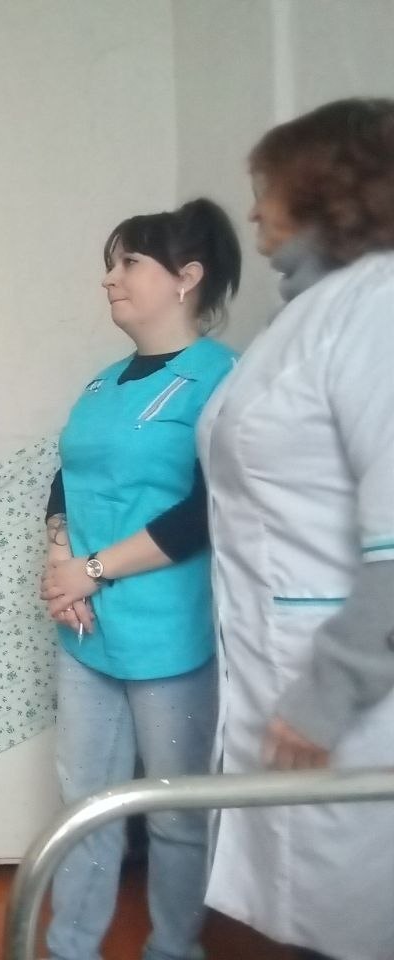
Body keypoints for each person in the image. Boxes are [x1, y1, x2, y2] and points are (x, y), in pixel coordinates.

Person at [199, 97, 394, 960]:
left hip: (350, 702)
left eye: (266, 188)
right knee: (294, 918)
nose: (253, 213)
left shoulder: (378, 307)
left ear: (322, 186)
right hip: (282, 676)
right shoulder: (307, 315)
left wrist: (328, 693)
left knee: (347, 919)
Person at [39, 198, 242, 960]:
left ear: (186, 277)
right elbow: (65, 477)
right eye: (111, 264)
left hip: (169, 634)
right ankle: (70, 947)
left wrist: (90, 571)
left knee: (175, 811)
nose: (110, 279)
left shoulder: (220, 378)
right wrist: (59, 561)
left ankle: (174, 948)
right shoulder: (103, 385)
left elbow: (207, 509)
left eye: (129, 263)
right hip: (86, 632)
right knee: (85, 805)